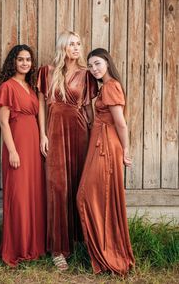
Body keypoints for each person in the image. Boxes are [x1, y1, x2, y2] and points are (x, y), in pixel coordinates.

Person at [37, 30, 98, 270]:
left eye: (79, 44)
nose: (76, 47)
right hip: (54, 131)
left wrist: (95, 136)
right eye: (72, 44)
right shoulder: (47, 72)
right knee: (57, 187)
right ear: (63, 46)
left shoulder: (86, 74)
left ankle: (80, 240)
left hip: (80, 132)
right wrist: (42, 133)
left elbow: (90, 109)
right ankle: (58, 248)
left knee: (77, 184)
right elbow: (42, 103)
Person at [77, 48, 135, 276]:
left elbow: (120, 123)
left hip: (107, 145)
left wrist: (126, 149)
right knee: (99, 196)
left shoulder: (111, 87)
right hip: (99, 141)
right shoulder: (104, 88)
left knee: (87, 195)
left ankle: (108, 253)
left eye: (98, 63)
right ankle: (104, 250)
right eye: (91, 65)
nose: (94, 69)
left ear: (108, 63)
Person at [0, 44, 46, 267]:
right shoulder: (7, 86)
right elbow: (3, 122)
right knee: (19, 195)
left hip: (33, 145)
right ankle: (17, 246)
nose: (25, 63)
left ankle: (33, 245)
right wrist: (13, 151)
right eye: (20, 59)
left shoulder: (30, 87)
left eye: (28, 59)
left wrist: (43, 136)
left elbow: (39, 113)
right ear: (13, 62)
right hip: (17, 146)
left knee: (33, 194)